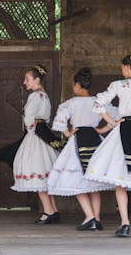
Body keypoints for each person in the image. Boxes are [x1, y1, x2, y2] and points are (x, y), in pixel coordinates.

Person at [48, 67, 117, 231]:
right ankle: (97, 219)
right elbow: (116, 117)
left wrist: (68, 133)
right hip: (95, 139)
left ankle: (90, 216)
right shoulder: (98, 101)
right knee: (94, 182)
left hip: (78, 139)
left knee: (76, 182)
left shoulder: (72, 103)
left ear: (77, 85)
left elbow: (59, 121)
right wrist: (101, 130)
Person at [85, 55, 131, 237]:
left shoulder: (119, 85)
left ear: (127, 68)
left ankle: (125, 223)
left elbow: (98, 103)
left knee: (120, 179)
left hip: (125, 127)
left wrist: (112, 122)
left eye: (123, 68)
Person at [10, 65, 61, 224]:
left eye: (27, 79)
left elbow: (29, 117)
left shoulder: (34, 96)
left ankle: (48, 211)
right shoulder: (44, 96)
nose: (25, 82)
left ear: (37, 80)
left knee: (36, 171)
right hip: (43, 134)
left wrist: (30, 130)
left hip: (35, 135)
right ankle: (53, 209)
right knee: (45, 173)